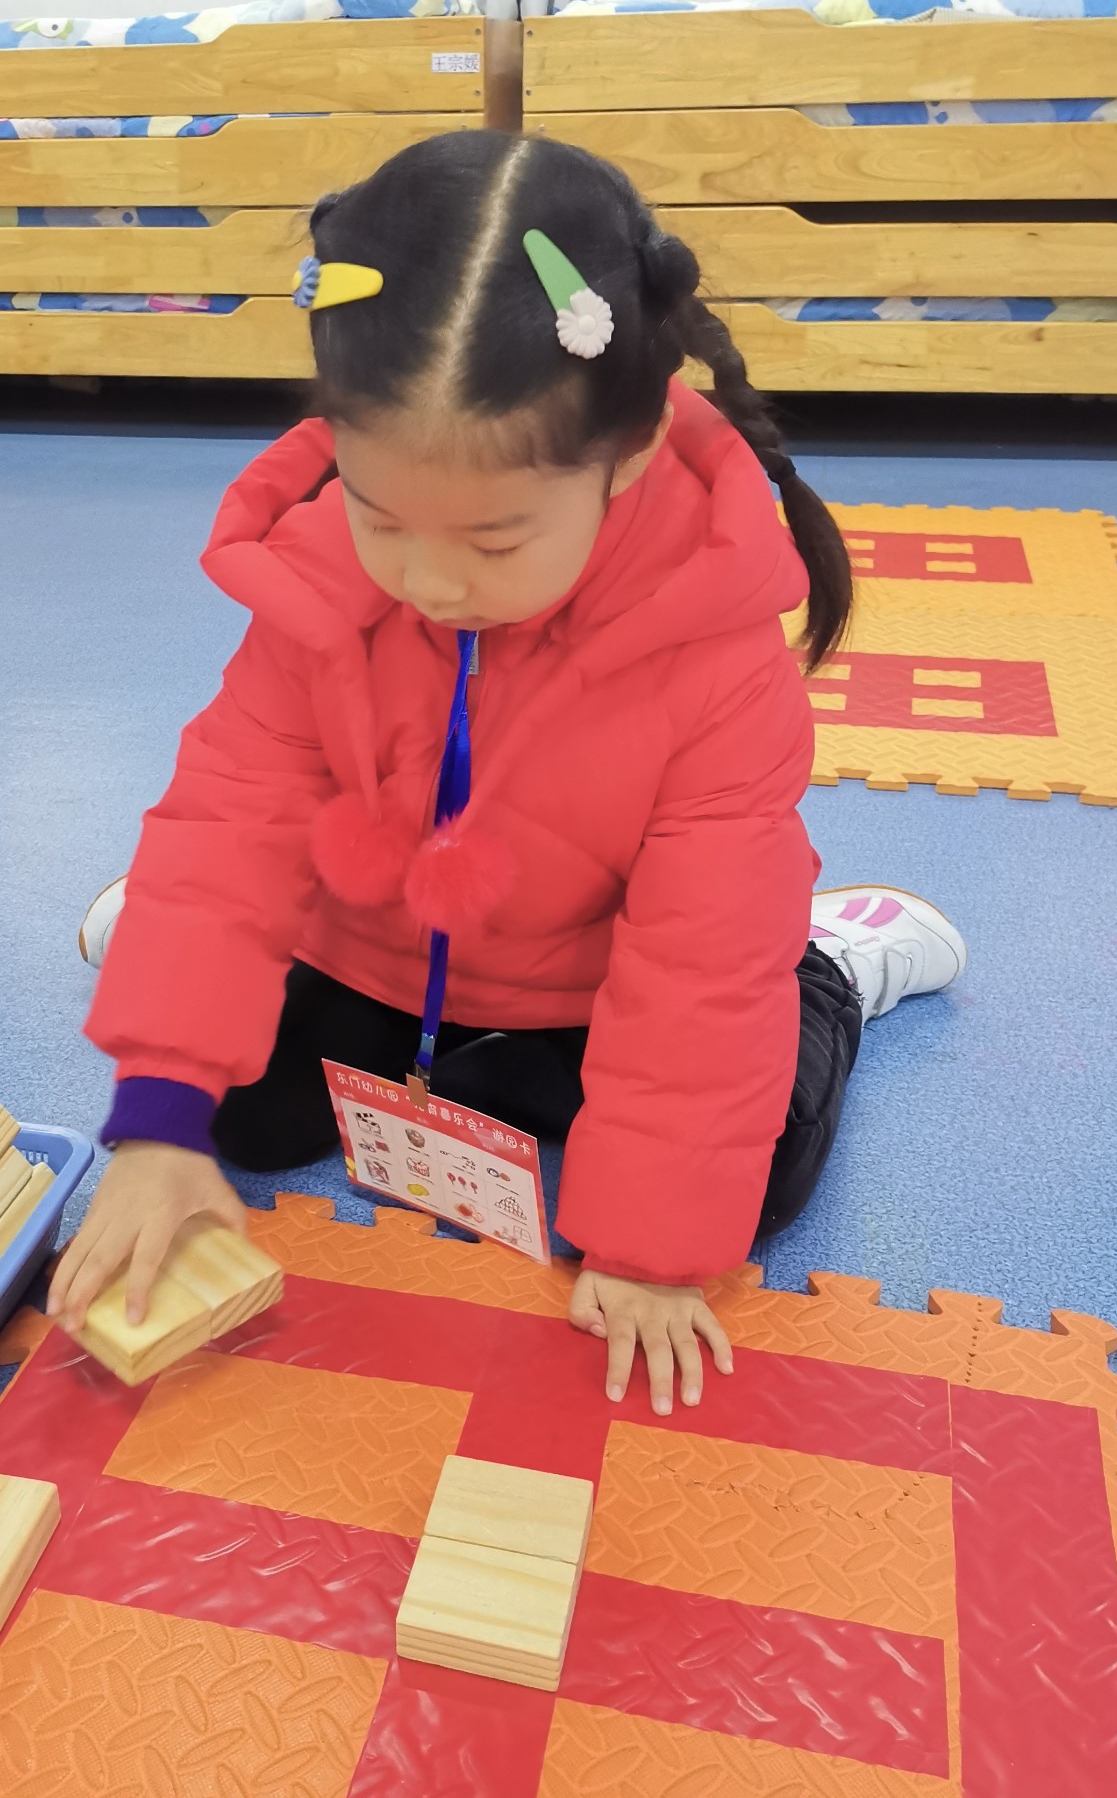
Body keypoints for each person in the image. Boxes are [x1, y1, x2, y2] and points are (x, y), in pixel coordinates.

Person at [52, 131, 967, 1409]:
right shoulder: (317, 578)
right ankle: (179, 968)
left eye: (492, 540)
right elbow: (230, 820)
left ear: (627, 455)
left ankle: (836, 968)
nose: (428, 580)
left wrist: (651, 1251)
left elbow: (699, 963)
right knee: (228, 1120)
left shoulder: (711, 653)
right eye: (379, 514)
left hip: (592, 986)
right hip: (382, 948)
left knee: (741, 1192)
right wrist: (157, 1112)